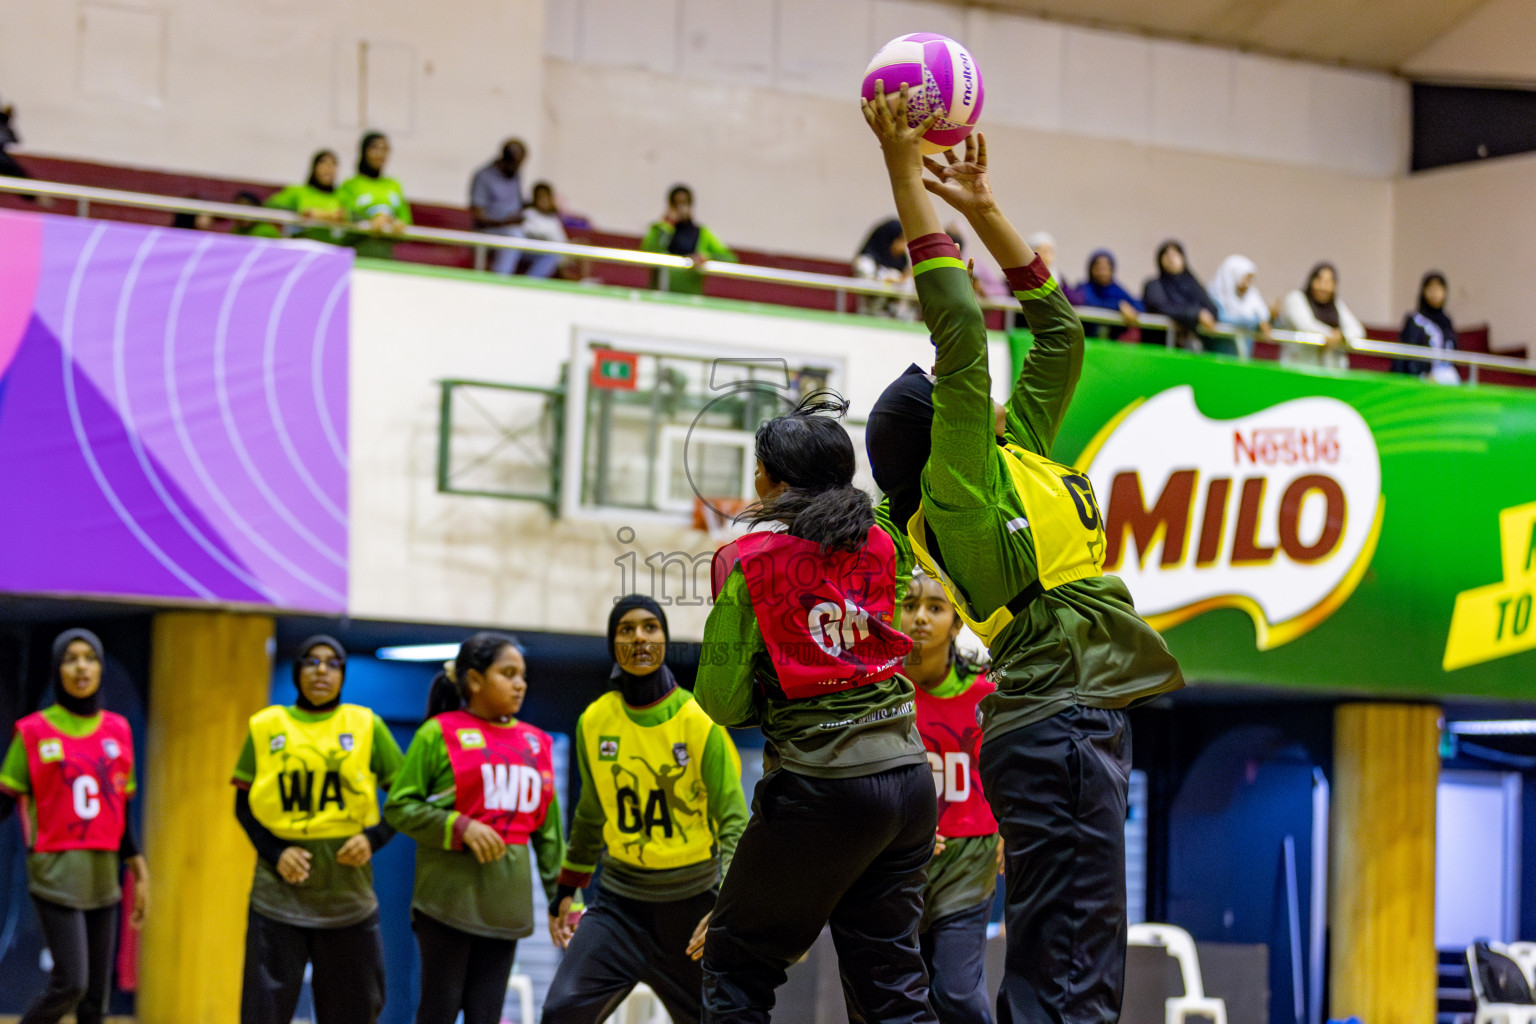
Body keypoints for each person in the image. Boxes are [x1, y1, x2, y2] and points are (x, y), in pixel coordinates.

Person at [862, 84, 1184, 1024]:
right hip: (1058, 724)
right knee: (1074, 976)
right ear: (941, 435)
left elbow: (1060, 332)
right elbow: (959, 326)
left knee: (1065, 962)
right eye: (955, 399)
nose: (978, 395)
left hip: (1073, 719)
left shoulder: (1013, 459)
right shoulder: (956, 492)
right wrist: (901, 171)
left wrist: (983, 207)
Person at [695, 386, 936, 1024]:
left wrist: (772, 696)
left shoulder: (746, 562)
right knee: (890, 980)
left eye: (758, 466)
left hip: (822, 785)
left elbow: (718, 698)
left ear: (775, 480)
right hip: (912, 782)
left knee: (735, 961)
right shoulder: (886, 543)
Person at [542, 596, 748, 1024]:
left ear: (665, 640)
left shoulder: (699, 719)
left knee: (720, 1018)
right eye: (627, 629)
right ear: (612, 643)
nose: (639, 637)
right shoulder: (594, 721)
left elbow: (733, 821)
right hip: (620, 906)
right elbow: (590, 815)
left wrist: (728, 907)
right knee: (561, 1010)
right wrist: (565, 890)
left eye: (651, 627)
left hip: (692, 907)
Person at [385, 632, 564, 1024]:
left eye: (523, 675)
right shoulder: (438, 733)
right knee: (438, 1012)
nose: (520, 684)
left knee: (488, 1015)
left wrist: (565, 899)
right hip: (447, 902)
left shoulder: (537, 743)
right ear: (474, 680)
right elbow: (399, 807)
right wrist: (459, 825)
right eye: (508, 673)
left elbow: (550, 838)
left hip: (506, 908)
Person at [231, 635, 403, 1024]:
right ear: (296, 671)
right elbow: (242, 806)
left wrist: (374, 837)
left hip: (348, 895)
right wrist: (276, 852)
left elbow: (407, 798)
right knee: (262, 1013)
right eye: (311, 661)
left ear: (343, 674)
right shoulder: (266, 725)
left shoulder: (365, 724)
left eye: (332, 663)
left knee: (355, 1012)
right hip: (277, 895)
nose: (321, 670)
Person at [0, 629, 149, 1024]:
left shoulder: (118, 730)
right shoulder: (33, 731)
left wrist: (139, 869)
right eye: (71, 658)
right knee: (72, 983)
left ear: (100, 667)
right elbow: (4, 800)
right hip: (55, 873)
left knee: (95, 1002)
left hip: (104, 879)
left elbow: (121, 812)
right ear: (57, 669)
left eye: (90, 657)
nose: (81, 666)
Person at [905, 573, 1001, 1024]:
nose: (920, 616)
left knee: (957, 994)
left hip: (968, 859)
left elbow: (1013, 771)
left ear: (957, 623)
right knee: (898, 997)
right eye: (909, 605)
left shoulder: (986, 694)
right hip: (899, 864)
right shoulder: (880, 694)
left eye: (935, 608)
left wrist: (1010, 827)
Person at [640, 184, 736, 295]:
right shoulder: (659, 230)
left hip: (690, 299)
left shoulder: (702, 233)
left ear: (690, 205)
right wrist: (667, 226)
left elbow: (730, 258)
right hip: (660, 295)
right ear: (670, 205)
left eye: (684, 203)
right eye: (676, 204)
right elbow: (647, 253)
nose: (681, 208)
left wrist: (706, 257)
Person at [1275, 262, 1363, 370]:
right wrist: (1331, 335)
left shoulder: (1335, 304)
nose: (1323, 286)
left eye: (1328, 282)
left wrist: (1342, 337)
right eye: (1319, 280)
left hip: (1330, 371)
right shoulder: (1295, 298)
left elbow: (1357, 330)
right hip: (1299, 367)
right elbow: (1306, 326)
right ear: (1311, 281)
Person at [338, 131, 412, 260]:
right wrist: (372, 221)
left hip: (385, 258)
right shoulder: (350, 185)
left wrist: (394, 223)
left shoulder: (394, 185)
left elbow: (405, 219)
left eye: (385, 149)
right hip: (358, 255)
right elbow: (346, 216)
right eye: (375, 148)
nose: (380, 154)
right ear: (364, 151)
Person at [1143, 240, 1218, 350]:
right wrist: (1196, 314)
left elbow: (1211, 310)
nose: (1171, 259)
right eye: (1166, 254)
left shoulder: (1193, 285)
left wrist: (1201, 314)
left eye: (1175, 254)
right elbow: (1164, 307)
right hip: (1158, 347)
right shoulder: (1154, 285)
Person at [469, 139, 530, 275]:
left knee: (551, 247)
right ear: (505, 159)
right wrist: (507, 222)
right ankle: (499, 281)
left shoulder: (516, 174)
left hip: (517, 227)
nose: (518, 168)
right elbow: (479, 217)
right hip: (490, 230)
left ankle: (531, 286)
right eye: (515, 163)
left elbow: (517, 204)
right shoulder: (483, 176)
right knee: (514, 236)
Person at [265, 150, 348, 243]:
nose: (328, 168)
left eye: (333, 164)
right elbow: (270, 204)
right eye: (323, 163)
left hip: (332, 247)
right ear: (314, 167)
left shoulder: (342, 195)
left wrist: (342, 216)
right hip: (301, 246)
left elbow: (353, 215)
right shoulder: (298, 192)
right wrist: (297, 212)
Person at [1394, 271, 1461, 384]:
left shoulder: (1447, 322)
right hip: (1420, 379)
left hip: (1447, 378)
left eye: (1439, 289)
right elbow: (1407, 357)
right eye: (1431, 288)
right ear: (1424, 291)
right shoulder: (1415, 320)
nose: (1435, 293)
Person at [1069, 249, 1142, 340]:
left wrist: (1129, 309)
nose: (1102, 272)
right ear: (1091, 269)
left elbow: (1137, 306)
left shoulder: (1116, 289)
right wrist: (1118, 306)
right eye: (1098, 267)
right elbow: (1090, 302)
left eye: (1106, 268)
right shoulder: (1083, 287)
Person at [1207, 255, 1271, 359]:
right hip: (1222, 353)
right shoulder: (1215, 295)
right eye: (1245, 278)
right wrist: (1256, 321)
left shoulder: (1250, 295)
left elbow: (1263, 313)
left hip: (1243, 354)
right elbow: (1224, 318)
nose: (1247, 284)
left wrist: (1265, 318)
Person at [853, 217, 912, 317]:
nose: (903, 246)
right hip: (870, 308)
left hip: (891, 312)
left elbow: (905, 279)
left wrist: (902, 278)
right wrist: (883, 280)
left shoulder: (902, 260)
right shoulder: (865, 262)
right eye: (900, 240)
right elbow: (868, 285)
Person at [518, 180, 567, 279]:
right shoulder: (529, 213)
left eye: (546, 197)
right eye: (540, 197)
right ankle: (531, 283)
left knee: (582, 246)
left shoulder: (553, 218)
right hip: (529, 251)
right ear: (535, 199)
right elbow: (528, 230)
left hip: (556, 249)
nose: (544, 201)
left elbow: (561, 240)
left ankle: (583, 282)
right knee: (552, 254)